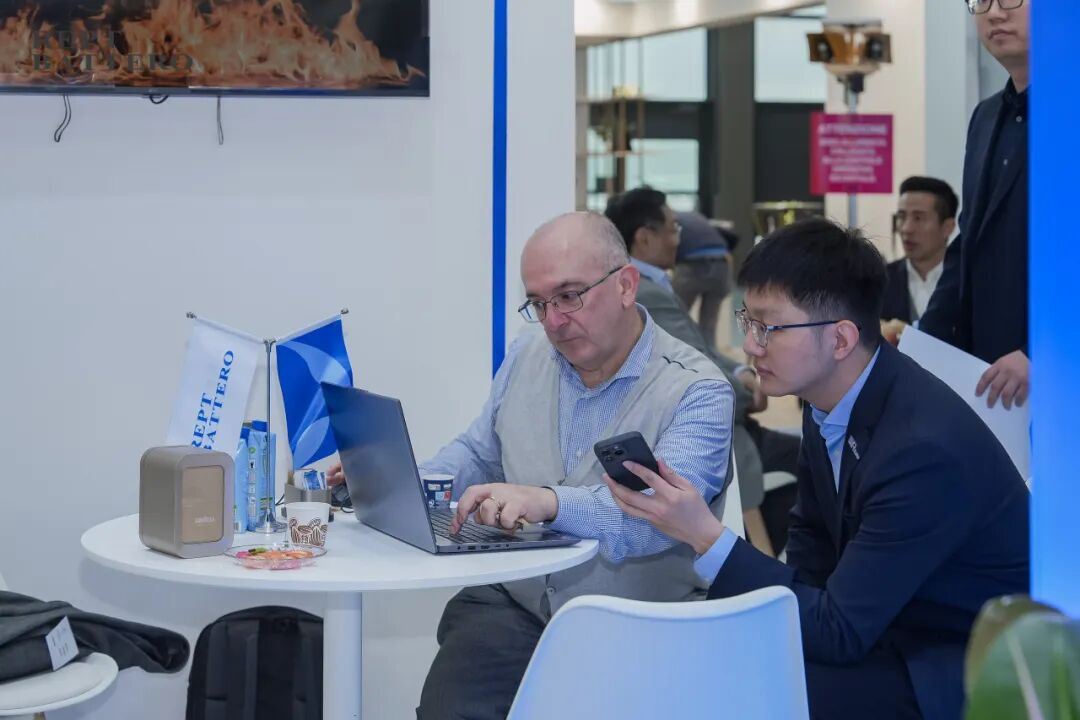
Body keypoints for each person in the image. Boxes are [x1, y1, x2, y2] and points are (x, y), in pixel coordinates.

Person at [605, 219, 1030, 720]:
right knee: (709, 657)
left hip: (961, 664)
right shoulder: (830, 401)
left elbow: (839, 631)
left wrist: (706, 537)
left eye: (769, 328)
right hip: (884, 628)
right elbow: (811, 555)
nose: (751, 346)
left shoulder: (921, 449)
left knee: (736, 687)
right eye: (748, 321)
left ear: (841, 339)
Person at [329, 211, 735, 720]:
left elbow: (661, 518)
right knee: (450, 709)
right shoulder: (528, 353)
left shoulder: (698, 391)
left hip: (635, 624)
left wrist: (549, 502)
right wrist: (402, 483)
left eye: (569, 296)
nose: (554, 320)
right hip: (515, 607)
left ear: (627, 285)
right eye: (539, 303)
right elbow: (480, 453)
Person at [605, 187, 801, 557]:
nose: (678, 239)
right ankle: (763, 562)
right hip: (716, 431)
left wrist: (741, 369)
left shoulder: (651, 286)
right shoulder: (646, 294)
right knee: (808, 461)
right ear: (644, 238)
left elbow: (701, 348)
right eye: (672, 229)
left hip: (719, 419)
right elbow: (695, 365)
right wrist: (747, 392)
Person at [919, 0, 1030, 410]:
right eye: (982, 0)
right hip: (989, 378)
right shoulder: (985, 117)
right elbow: (970, 243)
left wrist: (1042, 352)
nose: (994, 13)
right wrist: (924, 345)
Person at [881, 176, 958, 328]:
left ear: (947, 227)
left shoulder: (967, 283)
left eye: (918, 218)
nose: (906, 229)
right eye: (902, 217)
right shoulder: (879, 281)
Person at [670, 209, 735, 349]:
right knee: (709, 325)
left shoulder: (669, 221)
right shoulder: (695, 216)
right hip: (722, 264)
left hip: (692, 265)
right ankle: (709, 356)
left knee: (675, 317)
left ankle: (675, 355)